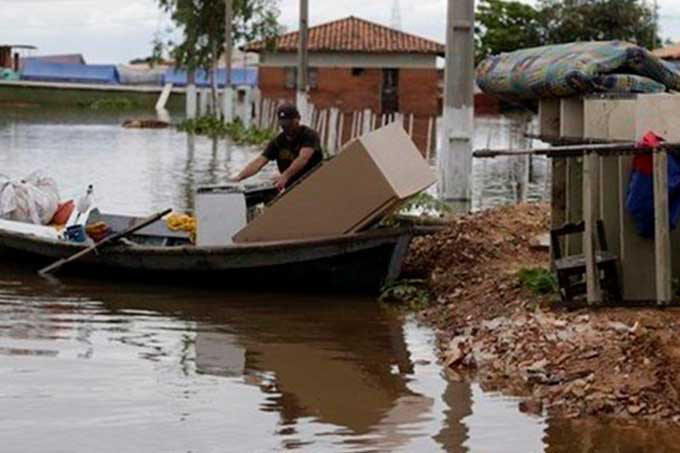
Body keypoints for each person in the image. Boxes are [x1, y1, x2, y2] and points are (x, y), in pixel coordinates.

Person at [234, 103, 323, 191]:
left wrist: (285, 176)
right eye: (283, 124)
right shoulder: (278, 142)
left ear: (298, 119)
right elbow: (259, 162)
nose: (286, 127)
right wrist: (239, 177)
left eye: (289, 124)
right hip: (291, 187)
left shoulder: (309, 135)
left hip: (313, 184)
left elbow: (303, 158)